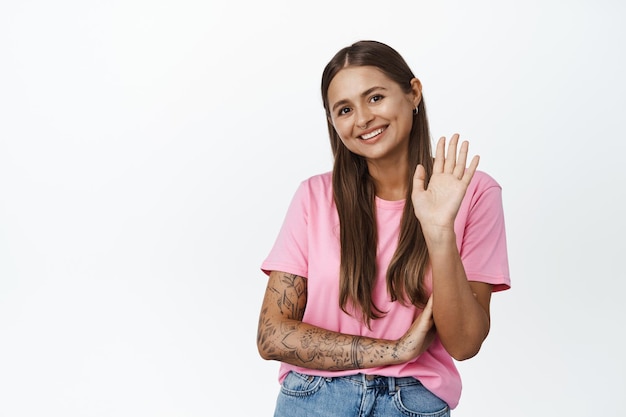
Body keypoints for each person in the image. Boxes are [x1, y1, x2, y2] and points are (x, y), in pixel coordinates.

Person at [256, 40, 510, 417]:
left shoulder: (472, 192)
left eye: (375, 98)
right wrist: (394, 350)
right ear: (333, 123)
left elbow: (465, 344)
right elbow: (271, 335)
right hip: (313, 397)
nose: (362, 119)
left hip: (412, 402)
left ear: (413, 93)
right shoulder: (314, 196)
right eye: (344, 109)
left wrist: (439, 232)